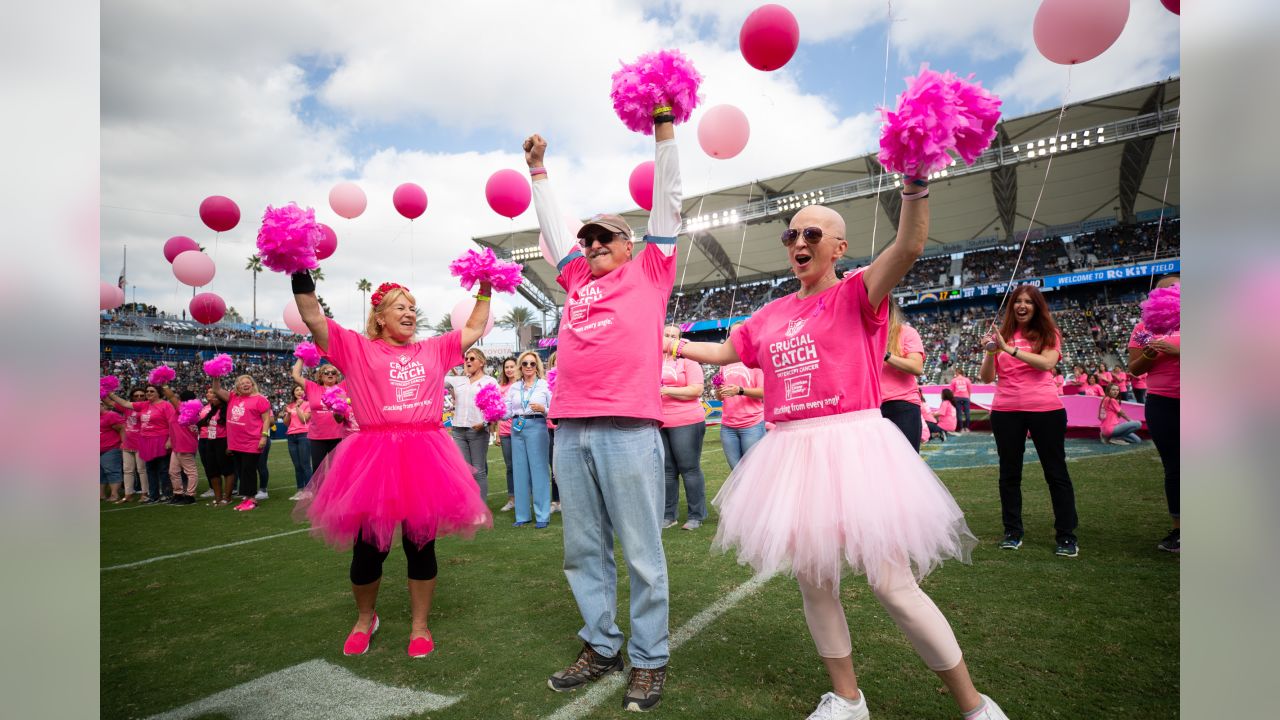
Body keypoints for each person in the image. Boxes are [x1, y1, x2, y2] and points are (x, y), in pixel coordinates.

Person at [667, 181, 1007, 720]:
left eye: (811, 233)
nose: (797, 242)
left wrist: (915, 186)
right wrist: (673, 343)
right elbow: (730, 349)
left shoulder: (856, 294)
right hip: (791, 451)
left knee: (894, 586)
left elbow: (910, 246)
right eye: (790, 234)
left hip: (854, 445)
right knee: (815, 584)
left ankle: (975, 706)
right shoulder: (771, 313)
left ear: (838, 247)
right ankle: (848, 699)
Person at [526, 115, 680, 712]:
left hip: (628, 428)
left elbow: (667, 202)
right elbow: (551, 226)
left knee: (642, 550)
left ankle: (649, 659)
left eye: (604, 240)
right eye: (587, 241)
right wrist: (537, 170)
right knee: (583, 550)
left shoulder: (652, 271)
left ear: (631, 246)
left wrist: (664, 131)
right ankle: (602, 644)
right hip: (572, 428)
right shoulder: (573, 279)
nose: (591, 248)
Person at [290, 274, 493, 659]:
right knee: (368, 550)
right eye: (400, 307)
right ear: (380, 316)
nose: (409, 313)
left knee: (421, 546)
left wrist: (485, 286)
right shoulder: (356, 349)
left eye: (413, 308)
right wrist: (301, 277)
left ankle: (420, 626)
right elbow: (314, 318)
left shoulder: (434, 348)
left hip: (425, 454)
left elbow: (475, 326)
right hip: (374, 457)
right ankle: (365, 618)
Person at [980, 285, 1080, 558]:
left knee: (1056, 473)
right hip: (1006, 411)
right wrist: (991, 351)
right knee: (1009, 475)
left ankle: (1067, 535)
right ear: (1011, 306)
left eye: (1029, 302)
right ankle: (1012, 531)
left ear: (1038, 307)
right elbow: (987, 378)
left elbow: (1047, 364)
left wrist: (1008, 349)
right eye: (1017, 301)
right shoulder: (1002, 336)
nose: (1022, 306)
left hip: (1045, 410)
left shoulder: (1049, 334)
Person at [1128, 275, 1181, 553]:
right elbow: (1134, 370)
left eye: (1175, 287)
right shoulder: (1143, 327)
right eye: (1162, 290)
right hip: (1161, 402)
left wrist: (1177, 350)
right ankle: (1179, 530)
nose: (1169, 293)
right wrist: (1149, 354)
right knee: (1174, 467)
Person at [659, 325, 708, 531]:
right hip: (660, 421)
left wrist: (666, 390)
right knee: (667, 471)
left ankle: (696, 515)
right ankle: (669, 515)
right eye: (666, 335)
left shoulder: (689, 360)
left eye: (674, 336)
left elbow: (697, 389)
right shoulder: (652, 360)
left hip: (686, 420)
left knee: (689, 469)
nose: (669, 339)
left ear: (680, 340)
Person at [505, 351, 553, 528]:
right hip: (517, 426)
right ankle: (522, 514)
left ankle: (542, 515)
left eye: (532, 364)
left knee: (539, 470)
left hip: (537, 426)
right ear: (520, 366)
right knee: (519, 471)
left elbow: (555, 408)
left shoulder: (544, 385)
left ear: (537, 366)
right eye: (525, 363)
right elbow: (508, 411)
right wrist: (493, 410)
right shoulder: (515, 387)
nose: (528, 367)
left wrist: (543, 409)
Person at [212, 374, 273, 512]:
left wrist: (263, 437)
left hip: (252, 441)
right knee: (240, 470)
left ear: (252, 384)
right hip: (236, 442)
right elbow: (216, 389)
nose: (245, 385)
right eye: (241, 383)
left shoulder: (260, 399)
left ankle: (251, 499)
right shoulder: (233, 396)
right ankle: (246, 498)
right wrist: (216, 375)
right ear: (237, 387)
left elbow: (266, 420)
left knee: (248, 470)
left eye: (247, 382)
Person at [108, 383, 175, 504]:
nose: (148, 393)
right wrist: (110, 393)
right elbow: (124, 403)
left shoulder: (166, 405)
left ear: (158, 393)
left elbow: (171, 423)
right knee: (150, 469)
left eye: (152, 391)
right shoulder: (144, 405)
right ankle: (153, 495)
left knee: (163, 469)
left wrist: (170, 440)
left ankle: (167, 494)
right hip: (146, 440)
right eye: (147, 391)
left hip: (160, 439)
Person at [445, 347, 498, 499]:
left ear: (481, 362)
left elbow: (496, 407)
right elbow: (437, 377)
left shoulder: (490, 381)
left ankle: (481, 508)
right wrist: (449, 359)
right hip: (458, 430)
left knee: (478, 470)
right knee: (465, 471)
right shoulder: (458, 380)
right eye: (466, 358)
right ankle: (470, 506)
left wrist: (485, 423)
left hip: (478, 431)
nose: (468, 361)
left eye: (472, 358)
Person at [880, 303, 926, 452]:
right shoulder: (862, 334)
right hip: (872, 409)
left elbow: (917, 367)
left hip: (902, 405)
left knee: (908, 465)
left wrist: (885, 354)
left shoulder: (906, 332)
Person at [716, 331, 766, 470]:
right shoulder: (724, 363)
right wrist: (719, 391)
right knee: (735, 471)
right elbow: (719, 397)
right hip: (728, 425)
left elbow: (764, 392)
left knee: (753, 471)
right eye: (732, 335)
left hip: (752, 424)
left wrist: (740, 390)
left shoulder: (756, 361)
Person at [290, 360, 346, 475]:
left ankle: (335, 493)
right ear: (321, 375)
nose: (330, 374)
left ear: (337, 375)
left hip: (339, 436)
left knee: (337, 470)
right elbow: (295, 375)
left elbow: (354, 372)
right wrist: (301, 357)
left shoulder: (343, 386)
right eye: (326, 372)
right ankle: (319, 493)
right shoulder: (312, 387)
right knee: (318, 470)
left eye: (333, 372)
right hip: (317, 437)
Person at [196, 388, 235, 507]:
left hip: (223, 441)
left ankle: (227, 497)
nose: (213, 398)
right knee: (212, 471)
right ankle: (218, 497)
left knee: (227, 470)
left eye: (216, 396)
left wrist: (230, 445)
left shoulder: (228, 410)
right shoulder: (212, 410)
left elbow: (232, 429)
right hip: (210, 441)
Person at [162, 388, 201, 505]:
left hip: (184, 444)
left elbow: (171, 397)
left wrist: (164, 384)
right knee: (173, 471)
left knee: (190, 471)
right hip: (178, 445)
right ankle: (178, 493)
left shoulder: (184, 409)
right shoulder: (190, 410)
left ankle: (190, 495)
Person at [494, 357, 518, 512]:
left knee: (523, 466)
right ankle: (512, 499)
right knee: (510, 467)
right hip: (505, 432)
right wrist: (497, 434)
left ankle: (524, 497)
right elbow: (498, 412)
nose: (509, 369)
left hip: (520, 430)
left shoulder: (522, 385)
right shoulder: (501, 387)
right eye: (506, 367)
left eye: (511, 366)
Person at [116, 387, 145, 503]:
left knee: (142, 470)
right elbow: (109, 401)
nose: (139, 397)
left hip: (141, 444)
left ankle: (145, 493)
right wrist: (103, 389)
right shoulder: (126, 407)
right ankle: (128, 494)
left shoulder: (147, 407)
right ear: (132, 397)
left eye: (141, 395)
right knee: (127, 470)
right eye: (136, 395)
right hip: (127, 443)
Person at [284, 385, 313, 500]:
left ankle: (309, 490)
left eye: (301, 389)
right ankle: (300, 490)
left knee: (305, 464)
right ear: (293, 392)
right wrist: (288, 413)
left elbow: (303, 419)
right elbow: (286, 423)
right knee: (297, 465)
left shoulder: (308, 404)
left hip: (304, 435)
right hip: (291, 436)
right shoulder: (290, 405)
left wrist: (297, 407)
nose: (299, 391)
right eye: (296, 389)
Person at [100, 401, 126, 502]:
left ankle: (115, 494)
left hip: (111, 448)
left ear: (102, 405)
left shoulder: (111, 415)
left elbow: (122, 428)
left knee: (112, 471)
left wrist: (123, 443)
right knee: (99, 473)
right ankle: (101, 495)